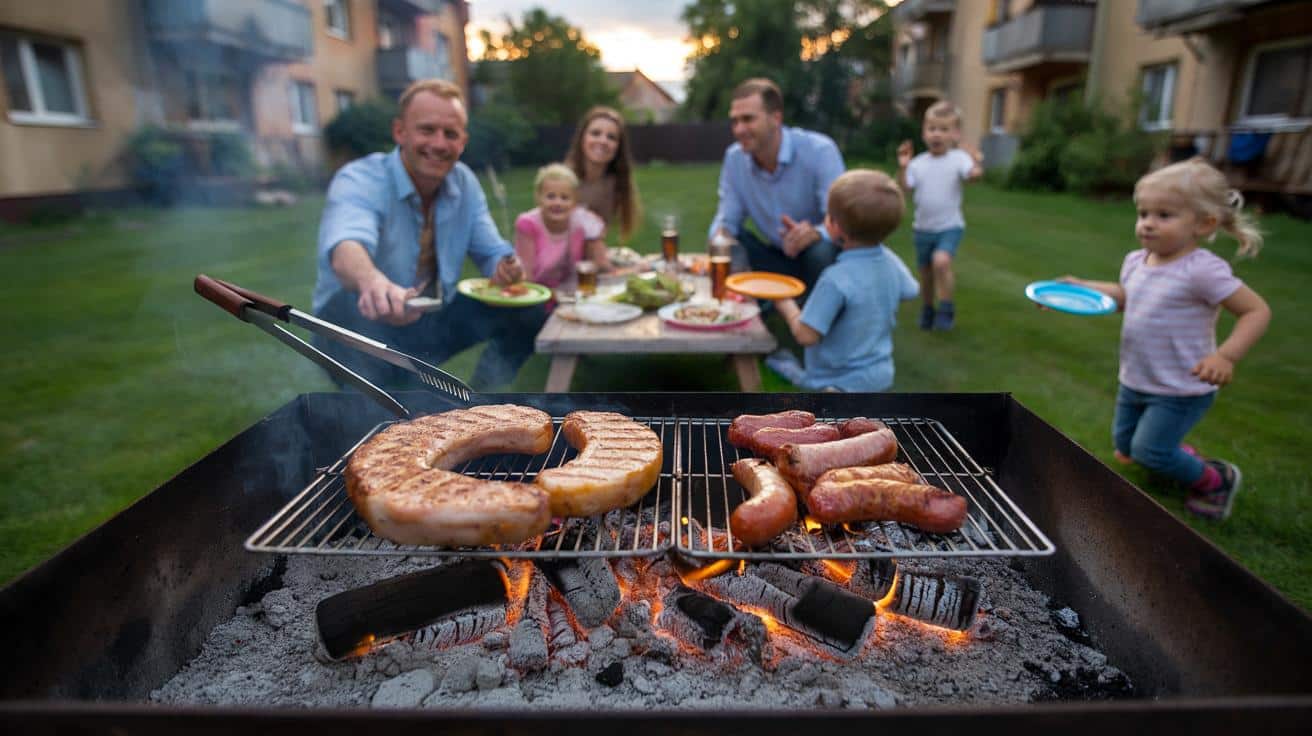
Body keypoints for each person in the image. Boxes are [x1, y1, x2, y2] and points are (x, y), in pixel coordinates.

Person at [1058, 158, 1271, 521]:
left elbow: (1256, 311)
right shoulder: (1138, 261)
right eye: (1143, 213)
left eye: (1164, 215)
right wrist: (1080, 288)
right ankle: (1172, 452)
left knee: (1149, 452)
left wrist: (1226, 357)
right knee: (1126, 446)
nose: (1148, 224)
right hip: (1136, 378)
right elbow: (1125, 297)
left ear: (1204, 224)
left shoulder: (1202, 270)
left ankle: (1215, 480)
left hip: (1181, 386)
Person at [311, 79, 543, 392]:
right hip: (359, 322)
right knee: (400, 408)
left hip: (431, 315)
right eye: (427, 129)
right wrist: (373, 282)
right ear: (399, 132)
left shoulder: (464, 183)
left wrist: (504, 265)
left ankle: (482, 398)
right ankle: (387, 405)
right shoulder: (361, 178)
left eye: (450, 134)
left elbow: (490, 250)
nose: (439, 143)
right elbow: (346, 246)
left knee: (528, 311)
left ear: (463, 141)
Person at [764, 170, 919, 392]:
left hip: (836, 383)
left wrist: (784, 302)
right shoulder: (890, 262)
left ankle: (798, 375)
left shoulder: (835, 279)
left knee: (786, 366)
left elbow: (806, 334)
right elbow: (911, 290)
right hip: (880, 375)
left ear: (835, 226)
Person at [709, 78, 846, 291]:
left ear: (776, 118)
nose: (738, 129)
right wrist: (721, 238)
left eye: (748, 119)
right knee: (731, 240)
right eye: (734, 121)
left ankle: (814, 313)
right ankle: (753, 303)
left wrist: (815, 233)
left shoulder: (820, 151)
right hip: (775, 254)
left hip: (817, 254)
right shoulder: (734, 158)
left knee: (822, 250)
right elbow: (727, 219)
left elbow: (842, 221)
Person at [896, 100, 984, 331]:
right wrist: (903, 167)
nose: (937, 134)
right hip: (922, 228)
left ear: (955, 134)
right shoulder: (917, 164)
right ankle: (927, 309)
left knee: (941, 262)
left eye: (944, 130)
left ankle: (946, 308)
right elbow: (905, 188)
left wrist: (976, 164)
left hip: (949, 226)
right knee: (925, 274)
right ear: (924, 132)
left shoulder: (958, 159)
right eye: (932, 128)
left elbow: (972, 176)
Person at [513, 163, 608, 289]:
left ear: (574, 201)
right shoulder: (527, 224)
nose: (558, 203)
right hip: (538, 297)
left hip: (573, 296)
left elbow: (600, 264)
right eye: (551, 196)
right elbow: (526, 278)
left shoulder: (580, 222)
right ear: (538, 198)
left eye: (565, 198)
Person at [564, 106, 642, 242]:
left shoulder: (613, 185)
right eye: (595, 133)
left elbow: (596, 238)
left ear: (618, 146)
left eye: (611, 137)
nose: (603, 141)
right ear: (582, 138)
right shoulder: (562, 179)